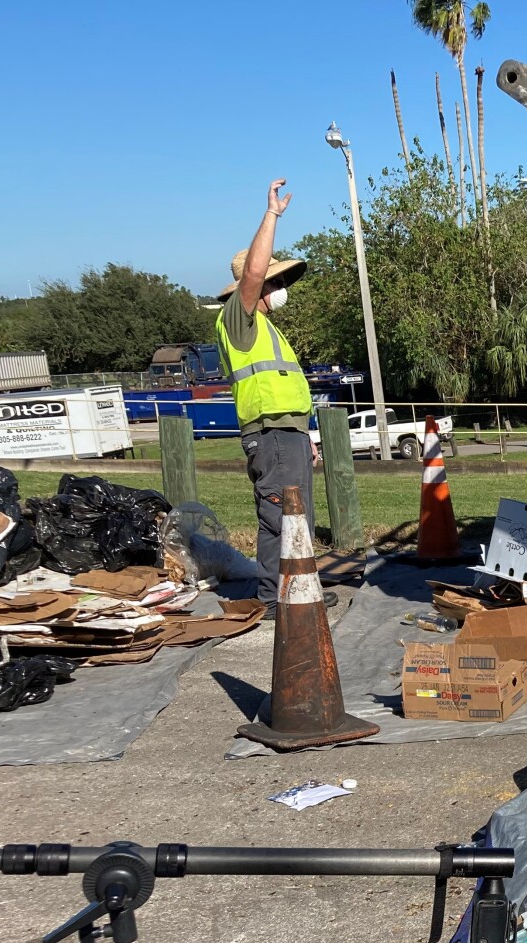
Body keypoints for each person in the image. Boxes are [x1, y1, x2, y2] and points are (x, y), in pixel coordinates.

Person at [215, 179, 332, 616]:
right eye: (274, 280)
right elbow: (253, 272)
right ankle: (290, 597)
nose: (279, 287)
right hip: (271, 435)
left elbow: (284, 388)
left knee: (283, 514)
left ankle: (280, 593)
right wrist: (272, 216)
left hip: (286, 434)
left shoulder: (265, 328)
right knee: (287, 515)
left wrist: (308, 436)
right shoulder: (239, 320)